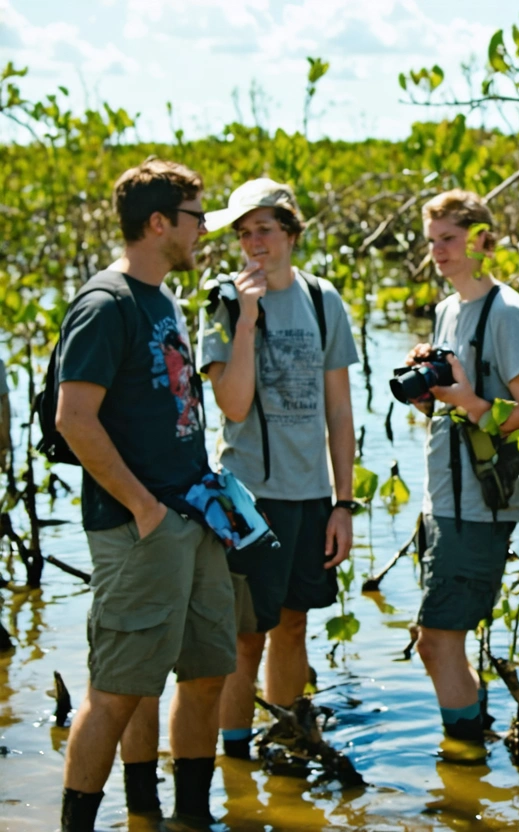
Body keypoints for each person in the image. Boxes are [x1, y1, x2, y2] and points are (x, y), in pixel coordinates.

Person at [55, 159, 237, 831]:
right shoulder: (107, 305)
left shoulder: (164, 298)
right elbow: (74, 418)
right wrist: (144, 509)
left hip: (196, 520)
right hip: (141, 529)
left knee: (207, 673)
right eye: (196, 217)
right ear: (159, 223)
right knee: (118, 692)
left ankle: (183, 819)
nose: (203, 231)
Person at [198, 178, 360, 760]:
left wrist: (343, 504)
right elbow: (233, 404)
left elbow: (340, 411)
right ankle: (236, 760)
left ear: (290, 232)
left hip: (311, 495)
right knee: (247, 637)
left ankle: (288, 737)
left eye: (264, 229)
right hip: (249, 496)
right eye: (243, 233)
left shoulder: (323, 299)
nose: (253, 243)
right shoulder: (220, 301)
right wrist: (245, 319)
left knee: (295, 625)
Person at [402, 190, 519, 749]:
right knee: (439, 639)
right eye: (432, 239)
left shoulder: (507, 313)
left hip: (481, 504)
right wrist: (433, 395)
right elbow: (458, 399)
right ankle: (477, 744)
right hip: (442, 497)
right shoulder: (447, 309)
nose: (437, 251)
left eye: (450, 238)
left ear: (483, 241)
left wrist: (462, 397)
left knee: (435, 641)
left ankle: (465, 764)